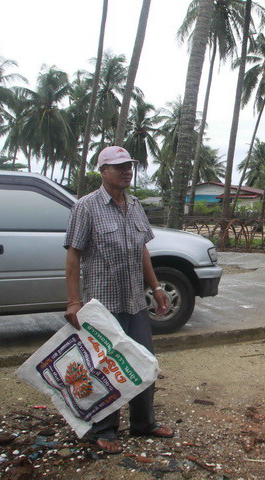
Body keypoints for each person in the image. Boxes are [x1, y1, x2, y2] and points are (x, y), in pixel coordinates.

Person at [64, 145, 172, 455]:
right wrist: (74, 301)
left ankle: (143, 423)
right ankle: (105, 429)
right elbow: (74, 257)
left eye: (129, 166)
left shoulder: (135, 205)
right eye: (119, 166)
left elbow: (142, 250)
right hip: (103, 305)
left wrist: (156, 287)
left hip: (135, 301)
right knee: (107, 367)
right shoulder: (86, 207)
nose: (127, 171)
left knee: (144, 363)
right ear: (103, 171)